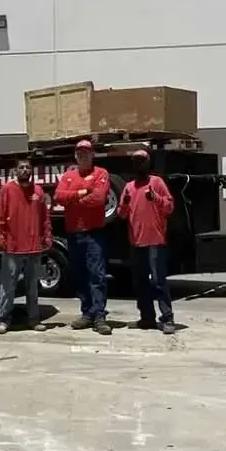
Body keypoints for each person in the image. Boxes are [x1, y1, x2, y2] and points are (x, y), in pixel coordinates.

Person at [53, 139, 113, 333]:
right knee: (80, 275)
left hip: (94, 233)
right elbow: (59, 197)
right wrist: (82, 192)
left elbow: (98, 199)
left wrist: (74, 199)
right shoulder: (69, 175)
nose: (82, 155)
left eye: (86, 152)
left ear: (92, 154)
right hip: (74, 234)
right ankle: (86, 312)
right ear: (75, 156)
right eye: (79, 153)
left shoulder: (101, 173)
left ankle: (99, 316)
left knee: (97, 275)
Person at [118, 149, 176, 334]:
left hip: (155, 241)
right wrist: (125, 203)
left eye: (142, 161)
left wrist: (156, 198)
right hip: (136, 242)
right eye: (135, 161)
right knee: (140, 282)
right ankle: (147, 318)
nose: (139, 164)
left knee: (159, 281)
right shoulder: (128, 187)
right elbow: (121, 214)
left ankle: (167, 319)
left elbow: (170, 207)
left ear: (148, 163)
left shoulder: (156, 182)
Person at [0, 158, 51, 334]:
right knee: (8, 285)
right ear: (15, 171)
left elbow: (44, 218)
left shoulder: (38, 191)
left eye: (27, 167)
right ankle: (3, 320)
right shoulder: (7, 190)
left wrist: (47, 236)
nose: (24, 170)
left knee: (32, 286)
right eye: (21, 167)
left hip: (34, 247)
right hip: (12, 247)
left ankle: (34, 320)